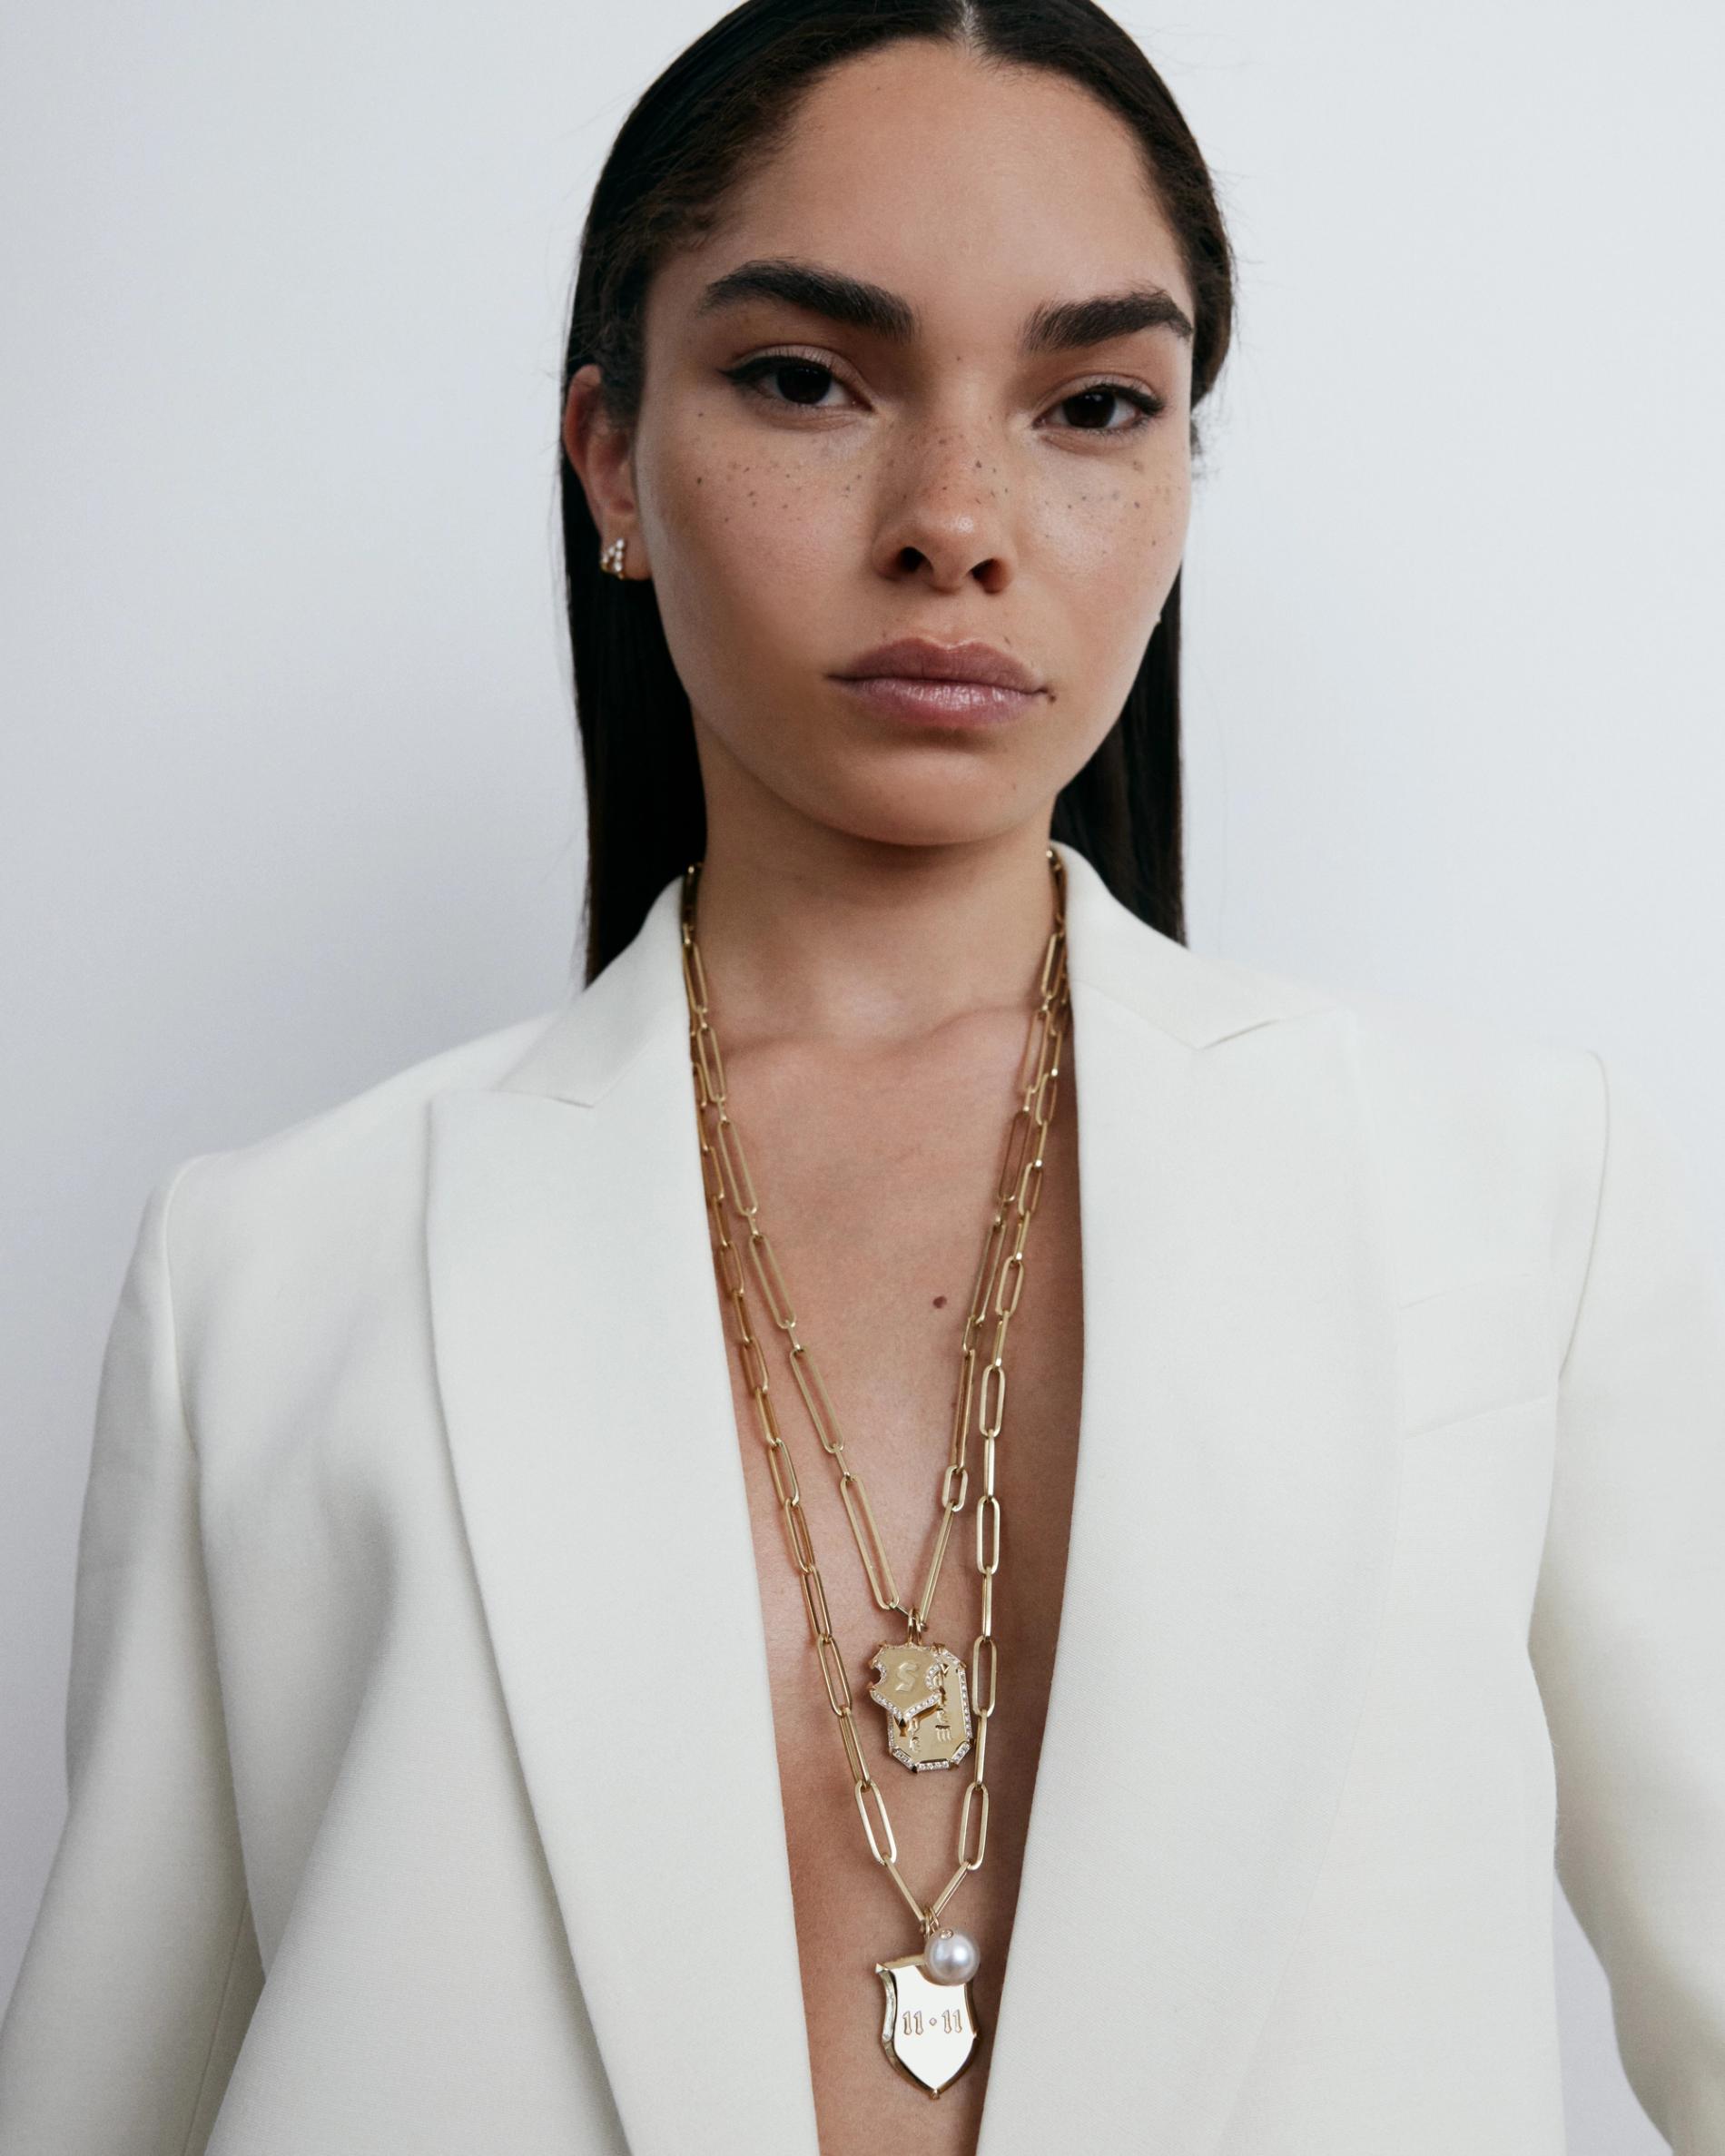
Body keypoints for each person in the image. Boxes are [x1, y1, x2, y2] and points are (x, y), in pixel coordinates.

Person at [3, 2, 1721, 2151]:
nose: (956, 518)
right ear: (611, 456)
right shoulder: (266, 1277)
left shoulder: (1508, 1201)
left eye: (1092, 401)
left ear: (1185, 466)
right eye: (808, 378)